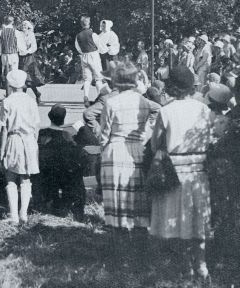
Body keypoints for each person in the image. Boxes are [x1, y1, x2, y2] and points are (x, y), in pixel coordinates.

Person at [149, 66, 214, 282]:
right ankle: (202, 266)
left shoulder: (166, 111)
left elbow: (155, 144)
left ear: (171, 86)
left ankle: (187, 267)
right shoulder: (204, 109)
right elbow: (210, 137)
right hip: (199, 170)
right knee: (197, 221)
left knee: (179, 222)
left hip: (175, 172)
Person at [100, 61, 160, 263]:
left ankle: (120, 257)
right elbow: (157, 110)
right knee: (137, 203)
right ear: (135, 79)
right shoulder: (143, 101)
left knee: (117, 204)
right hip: (137, 151)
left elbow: (104, 135)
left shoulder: (111, 102)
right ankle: (141, 254)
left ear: (116, 80)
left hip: (115, 151)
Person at [0, 69, 40, 224]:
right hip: (29, 139)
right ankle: (24, 214)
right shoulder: (31, 101)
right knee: (26, 178)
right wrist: (34, 144)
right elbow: (36, 125)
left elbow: (4, 128)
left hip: (13, 139)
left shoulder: (7, 101)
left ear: (10, 84)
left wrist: (2, 151)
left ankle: (14, 216)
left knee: (10, 178)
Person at [37, 104, 87, 220]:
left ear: (49, 116)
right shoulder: (66, 135)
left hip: (47, 173)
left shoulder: (42, 133)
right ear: (64, 118)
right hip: (64, 175)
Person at [75, 16, 104, 107]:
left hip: (84, 56)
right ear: (89, 23)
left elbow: (78, 48)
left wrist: (84, 52)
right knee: (98, 77)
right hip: (93, 55)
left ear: (81, 24)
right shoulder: (93, 34)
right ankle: (100, 98)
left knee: (87, 79)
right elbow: (99, 46)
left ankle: (86, 97)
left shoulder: (78, 36)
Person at [0, 16, 27, 96]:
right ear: (12, 22)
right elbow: (20, 45)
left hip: (4, 55)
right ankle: (13, 92)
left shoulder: (0, 32)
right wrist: (23, 51)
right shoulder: (16, 32)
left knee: (6, 73)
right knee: (14, 73)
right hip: (13, 54)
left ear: (5, 22)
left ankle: (8, 92)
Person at [19, 20, 44, 104]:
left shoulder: (31, 34)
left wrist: (28, 51)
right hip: (21, 57)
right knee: (24, 78)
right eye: (22, 25)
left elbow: (34, 46)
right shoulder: (19, 34)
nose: (23, 26)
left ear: (28, 26)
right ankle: (36, 94)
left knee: (29, 77)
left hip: (29, 57)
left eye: (25, 25)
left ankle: (29, 96)